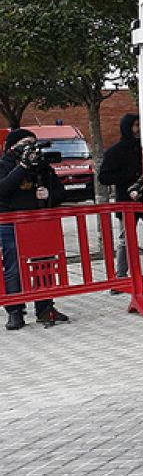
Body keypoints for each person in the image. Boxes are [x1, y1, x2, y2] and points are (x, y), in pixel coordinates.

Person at [1, 129, 71, 330]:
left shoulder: (42, 167)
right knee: (13, 268)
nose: (30, 147)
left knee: (45, 265)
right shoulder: (4, 166)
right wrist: (22, 167)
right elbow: (3, 189)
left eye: (33, 143)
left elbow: (60, 192)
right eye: (25, 143)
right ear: (13, 146)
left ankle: (45, 308)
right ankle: (15, 312)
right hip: (10, 223)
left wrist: (49, 194)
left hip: (38, 222)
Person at [98, 113, 143, 279]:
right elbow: (103, 177)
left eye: (140, 125)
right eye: (135, 125)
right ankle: (121, 275)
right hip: (126, 200)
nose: (138, 129)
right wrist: (127, 176)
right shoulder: (115, 151)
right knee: (125, 239)